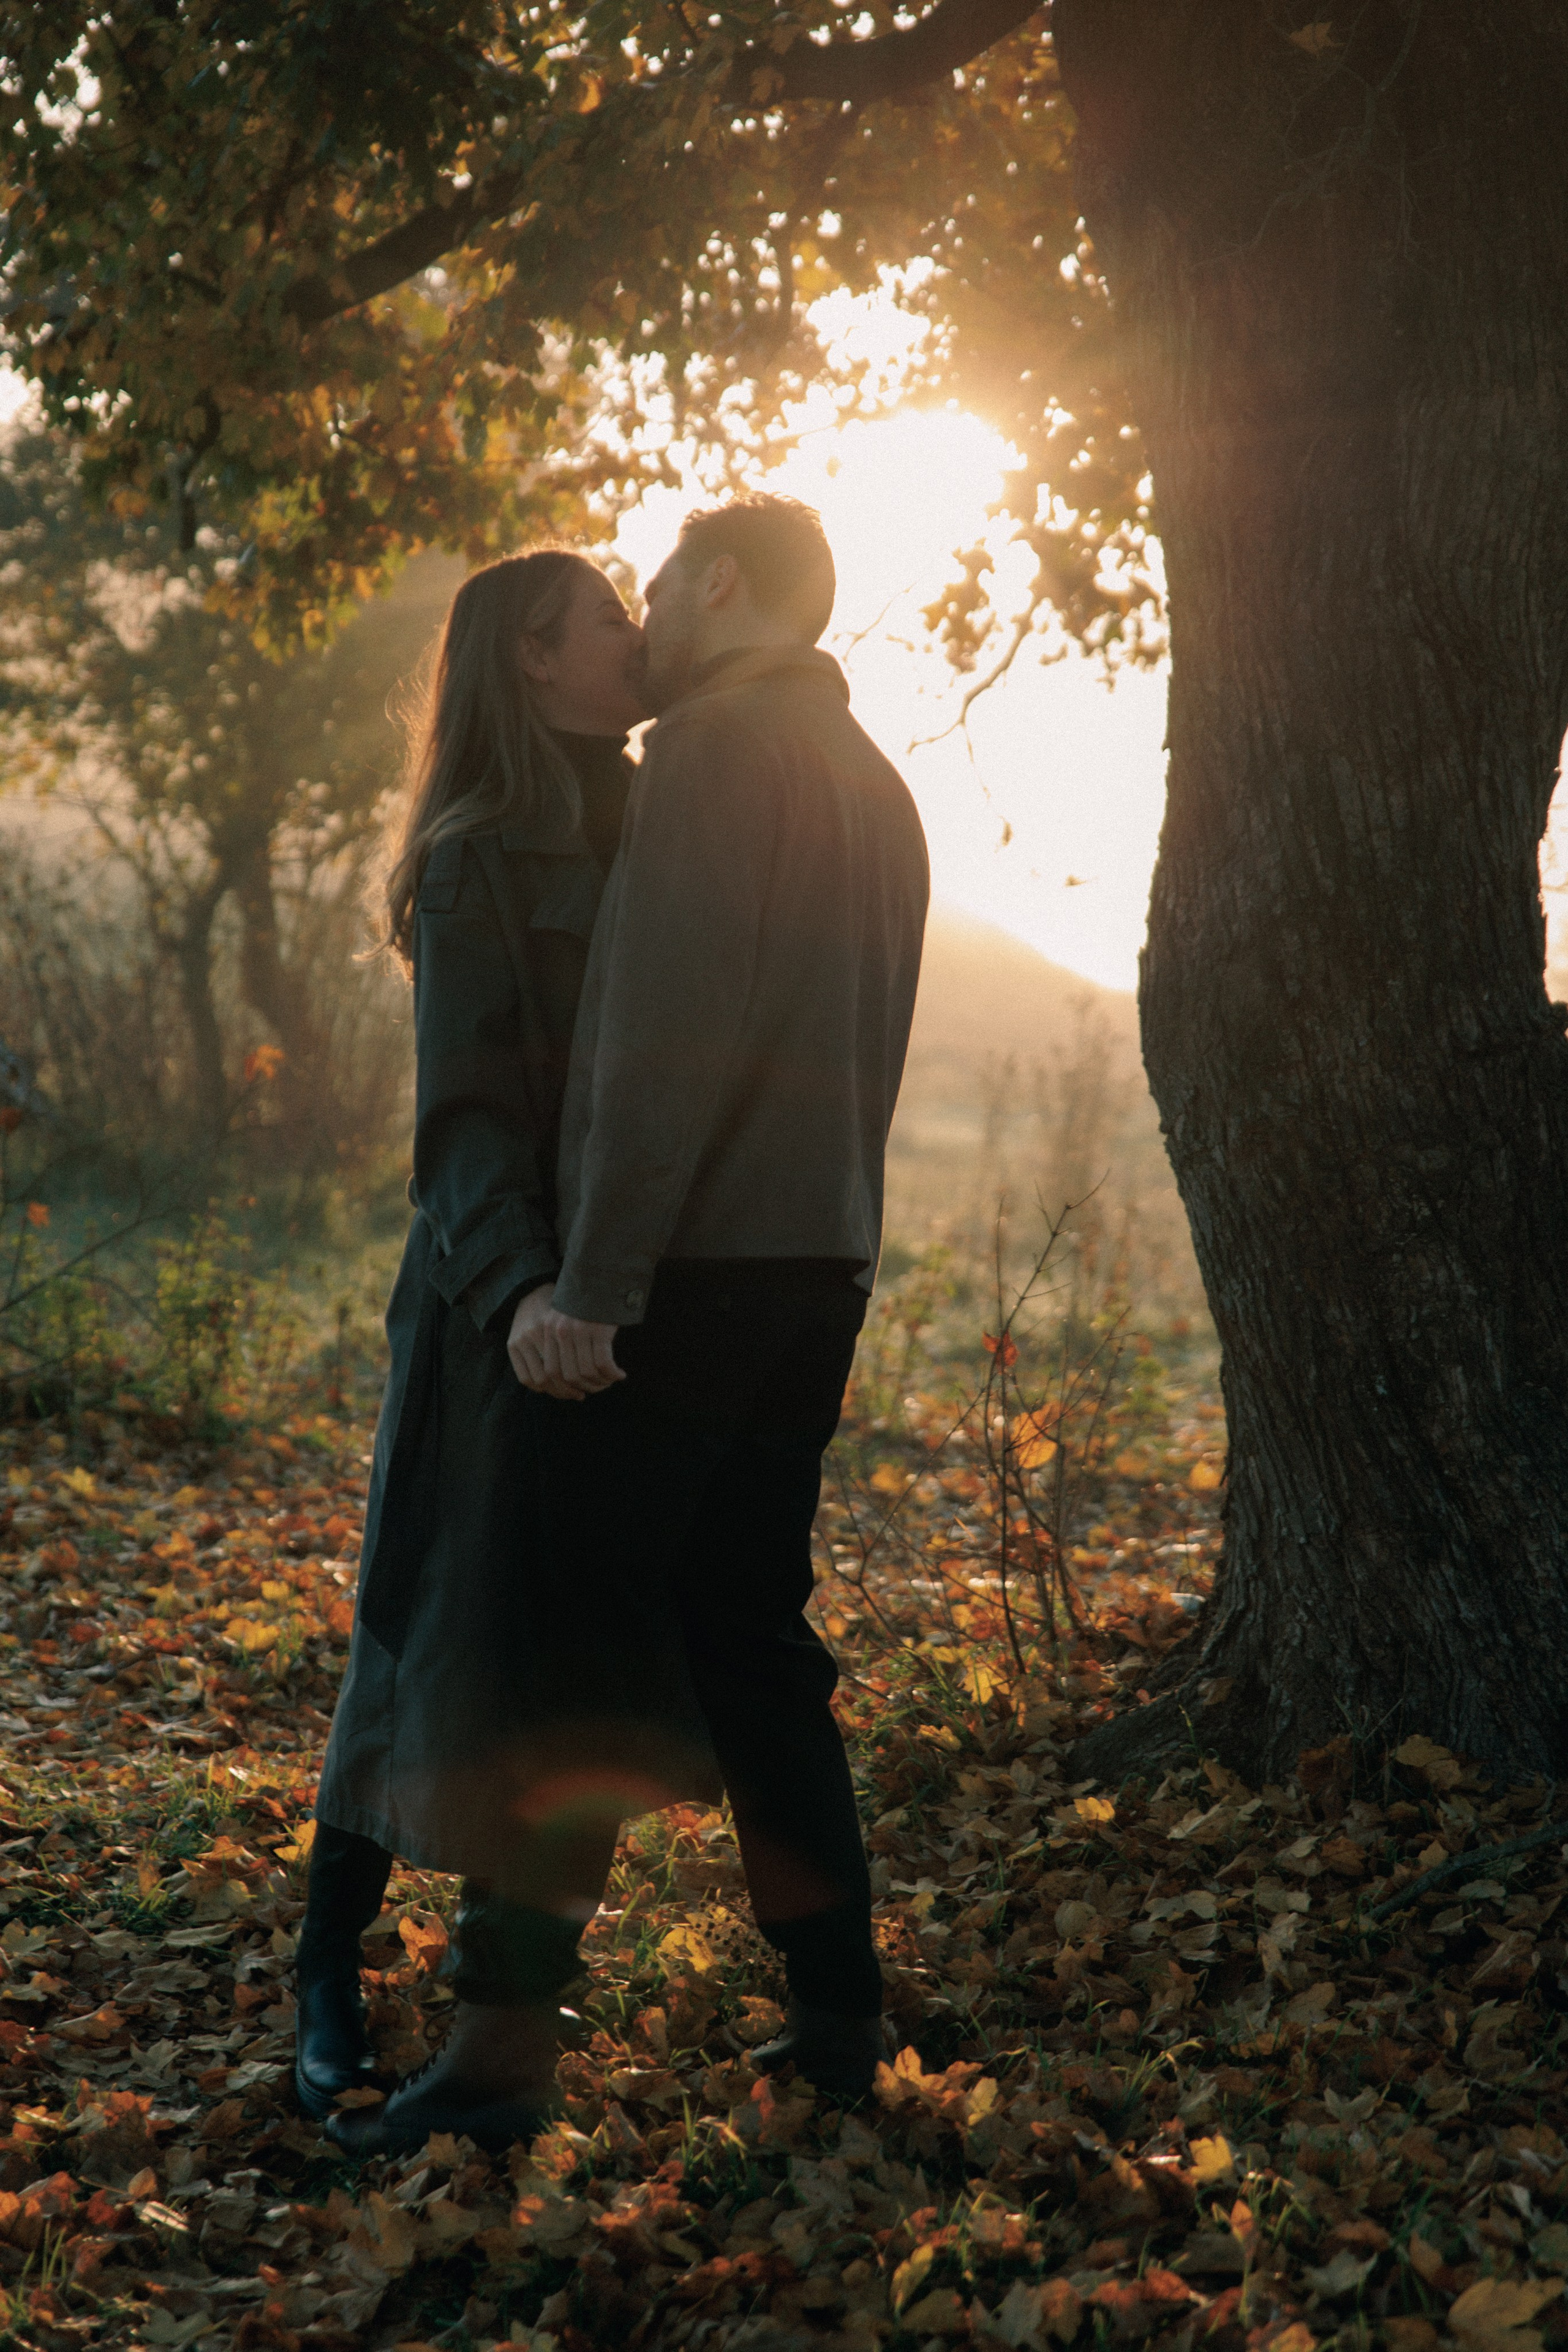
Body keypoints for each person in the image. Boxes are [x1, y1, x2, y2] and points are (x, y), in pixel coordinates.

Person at [327, 493, 930, 2158]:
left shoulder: (715, 758)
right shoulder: (875, 783)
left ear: (719, 584)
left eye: (655, 588)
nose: (644, 622)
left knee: (569, 1658)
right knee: (756, 1643)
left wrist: (592, 1286)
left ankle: (499, 2056)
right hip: (818, 1270)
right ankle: (841, 2019)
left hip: (687, 1280)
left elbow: (656, 1051)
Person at [298, 549, 657, 2143]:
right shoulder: (475, 857)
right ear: (531, 657)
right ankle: (326, 1973)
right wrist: (522, 1298)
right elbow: (462, 1124)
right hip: (487, 1312)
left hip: (612, 1307)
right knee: (423, 1641)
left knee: (556, 1657)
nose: (636, 640)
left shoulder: (661, 812)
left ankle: (501, 2023)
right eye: (608, 620)